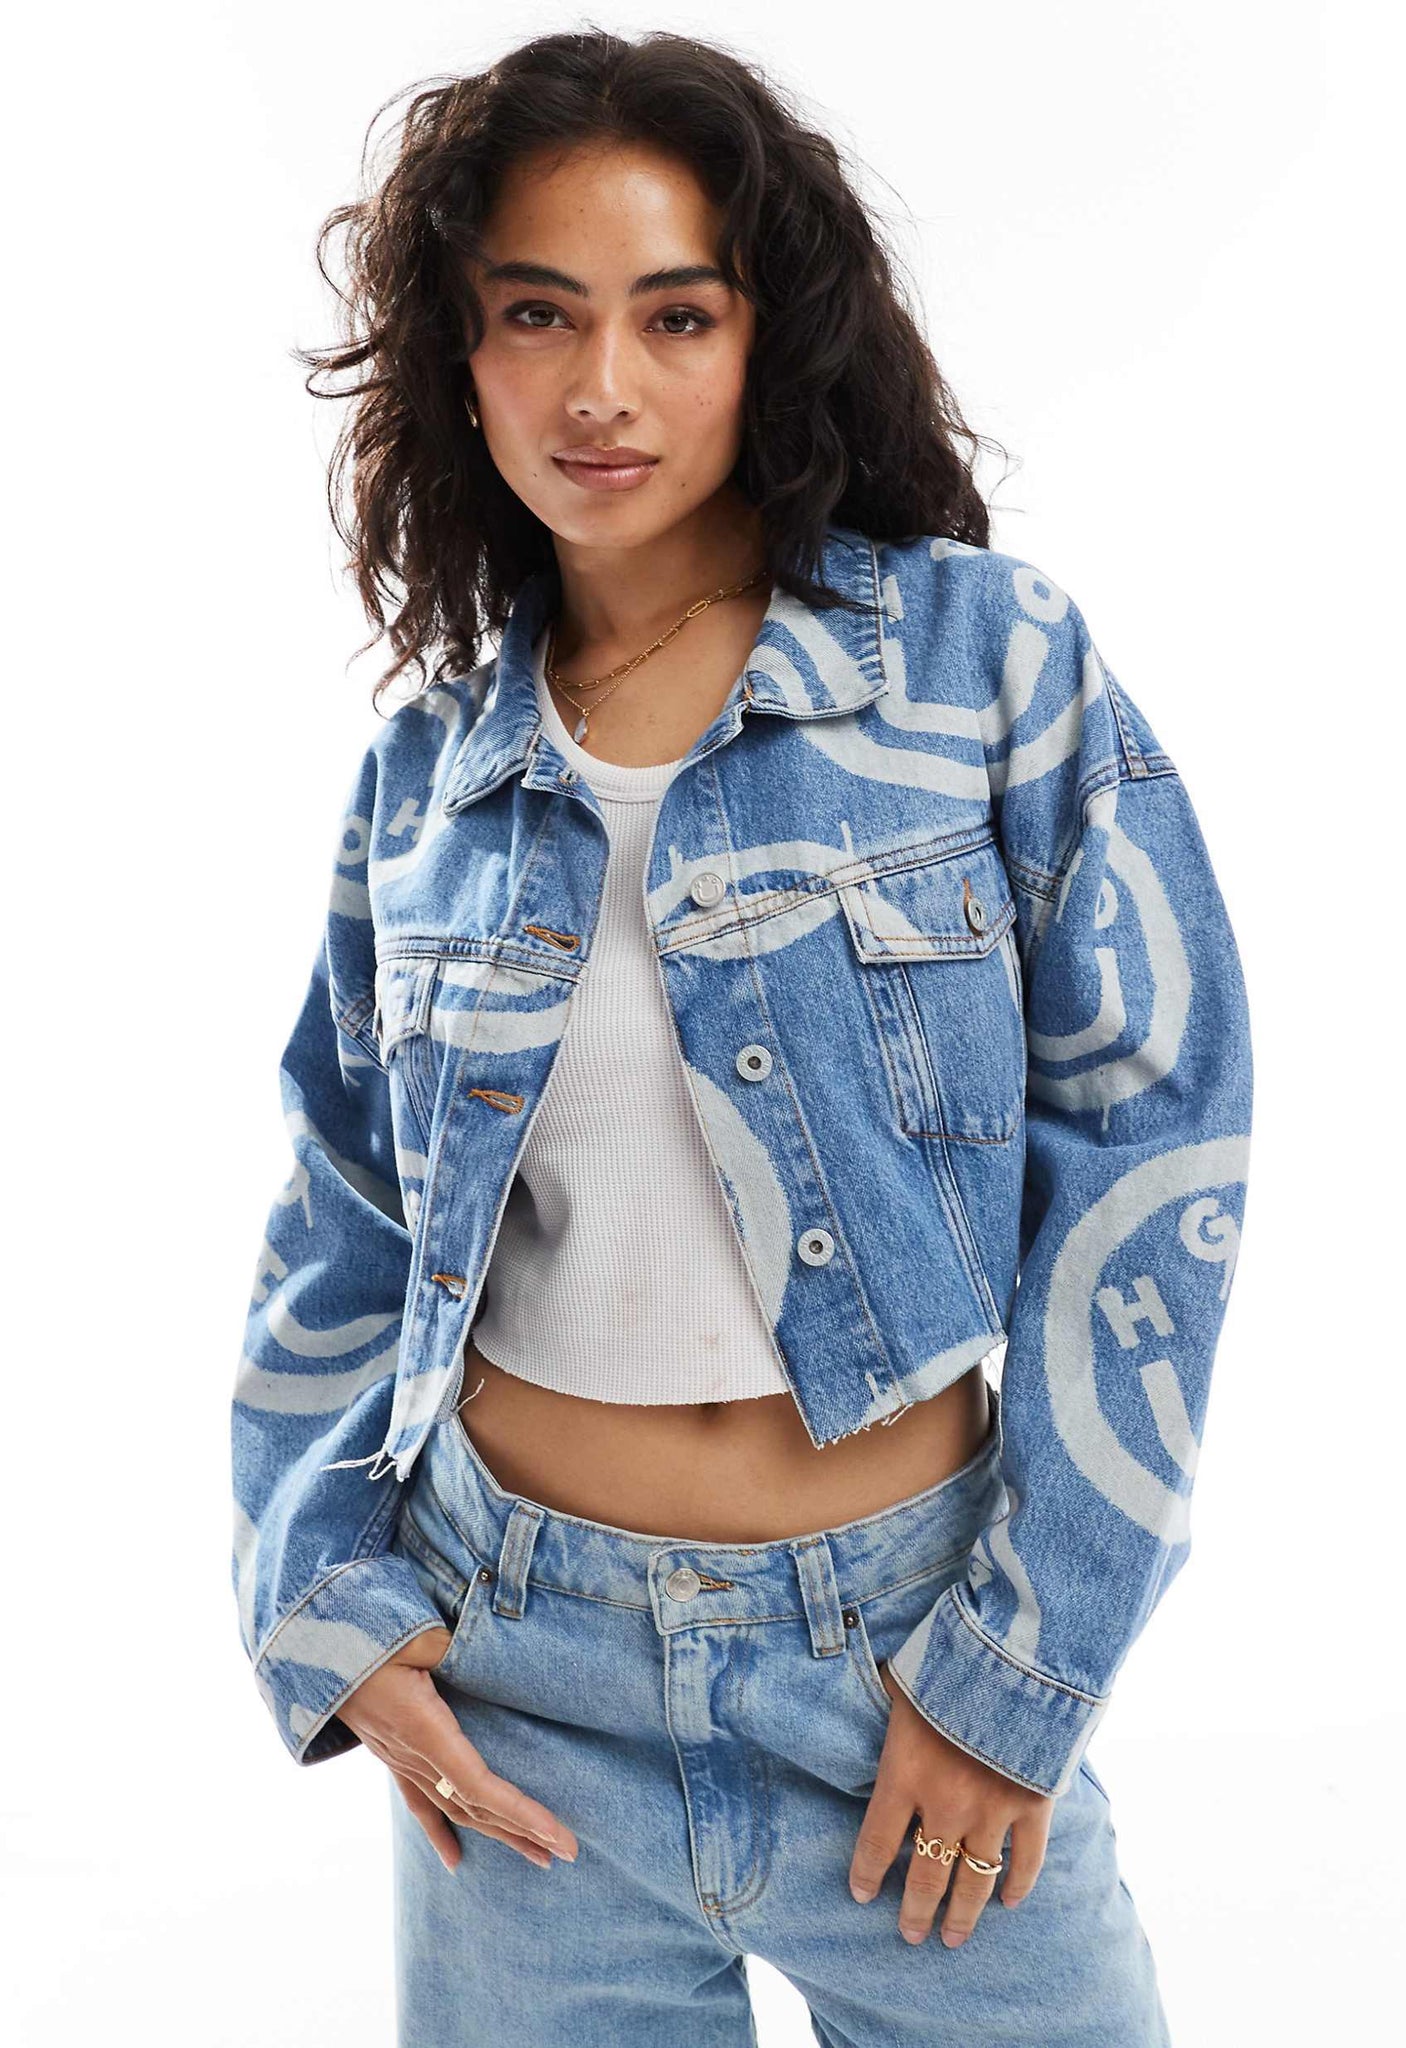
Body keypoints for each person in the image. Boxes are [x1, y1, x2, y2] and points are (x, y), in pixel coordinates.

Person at [231, 27, 1253, 2046]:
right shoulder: (430, 769)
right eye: (537, 314)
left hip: (900, 1668)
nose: (599, 387)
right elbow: (344, 1207)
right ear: (460, 356)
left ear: (765, 340)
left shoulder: (982, 662)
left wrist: (1016, 1676)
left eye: (674, 316)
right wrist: (330, 1612)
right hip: (519, 1687)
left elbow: (1156, 1150)